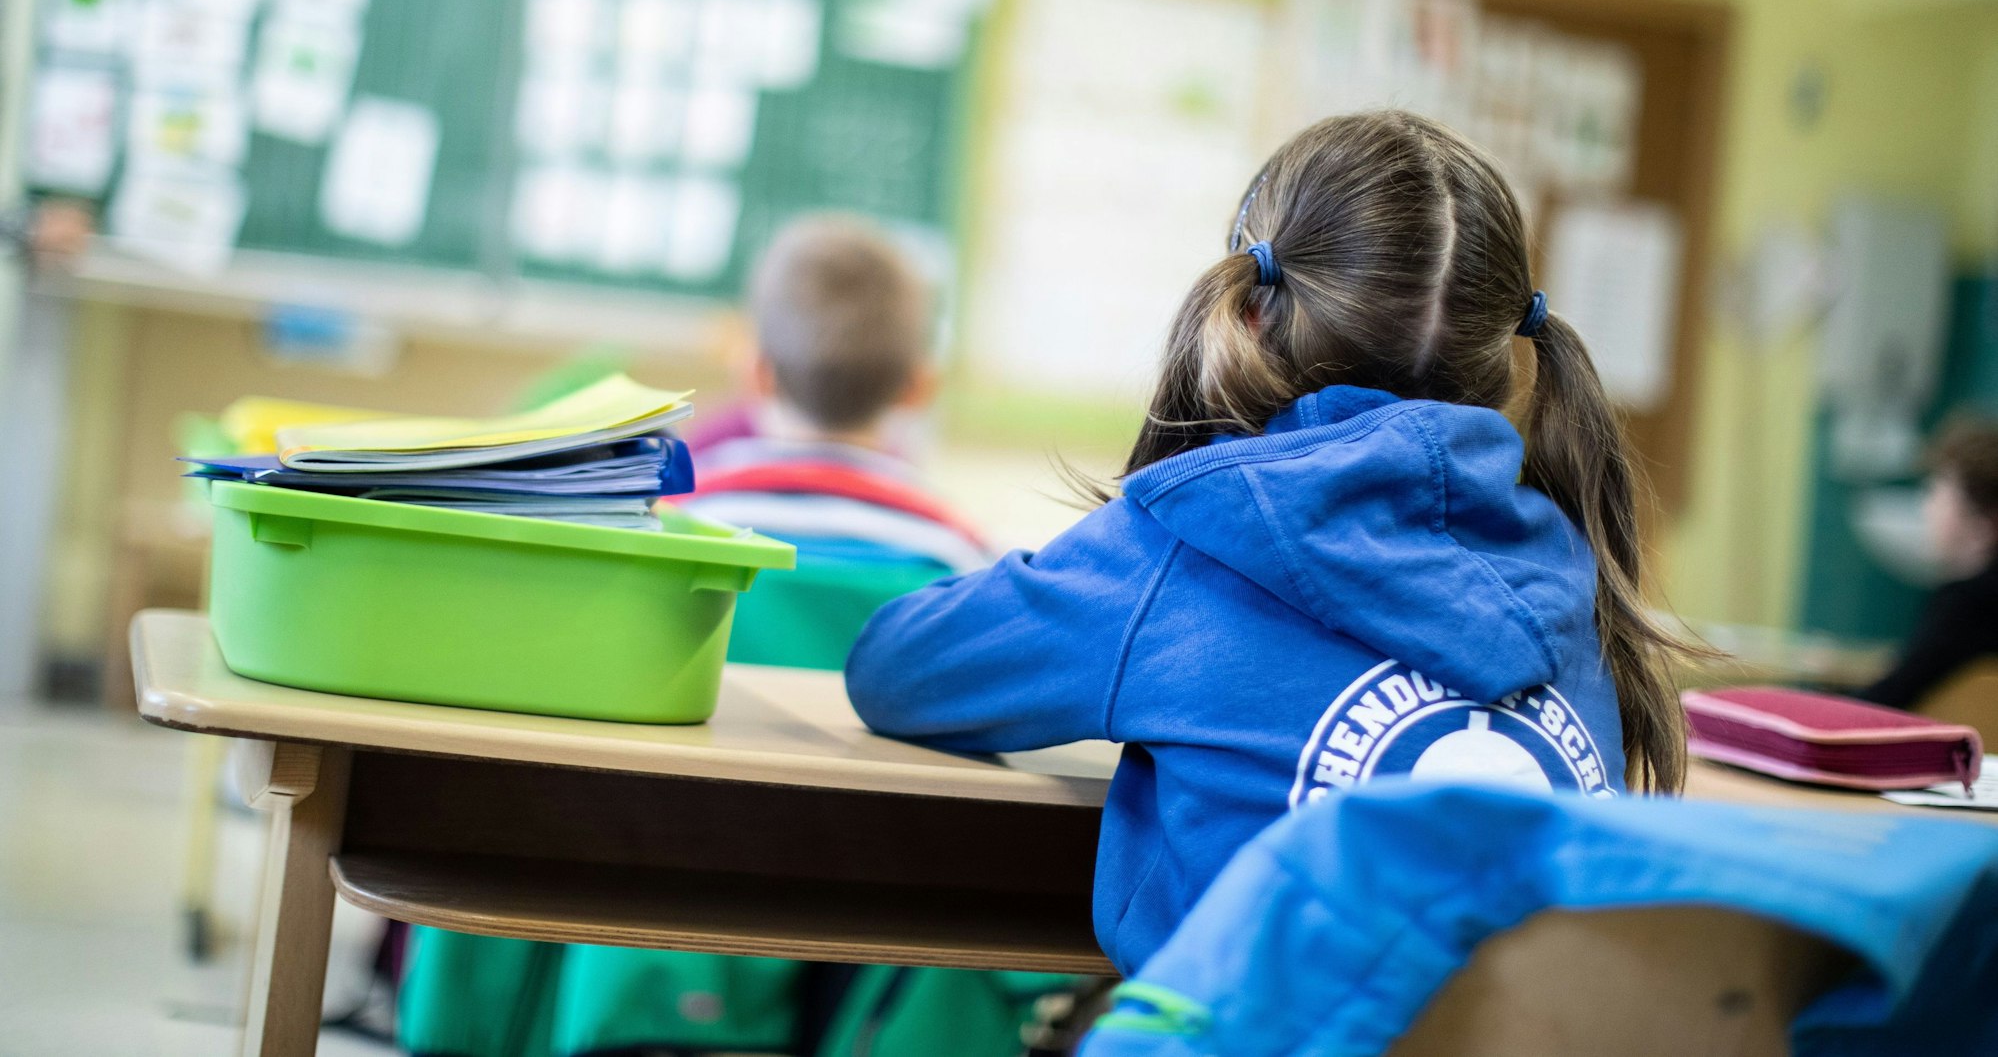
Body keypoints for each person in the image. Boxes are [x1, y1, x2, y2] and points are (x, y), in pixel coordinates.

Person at [844, 110, 1699, 978]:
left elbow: (896, 670)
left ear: (1251, 312)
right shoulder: (1572, 568)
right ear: (1508, 352)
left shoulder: (1183, 541)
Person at [398, 216, 1066, 1057]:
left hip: (634, 943)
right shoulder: (967, 576)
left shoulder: (661, 545)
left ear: (751, 367)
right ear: (919, 387)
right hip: (854, 974)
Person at [1857, 417, 1998, 710]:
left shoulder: (1965, 605)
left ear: (1984, 524)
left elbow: (1889, 699)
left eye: (1938, 492)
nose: (1926, 507)